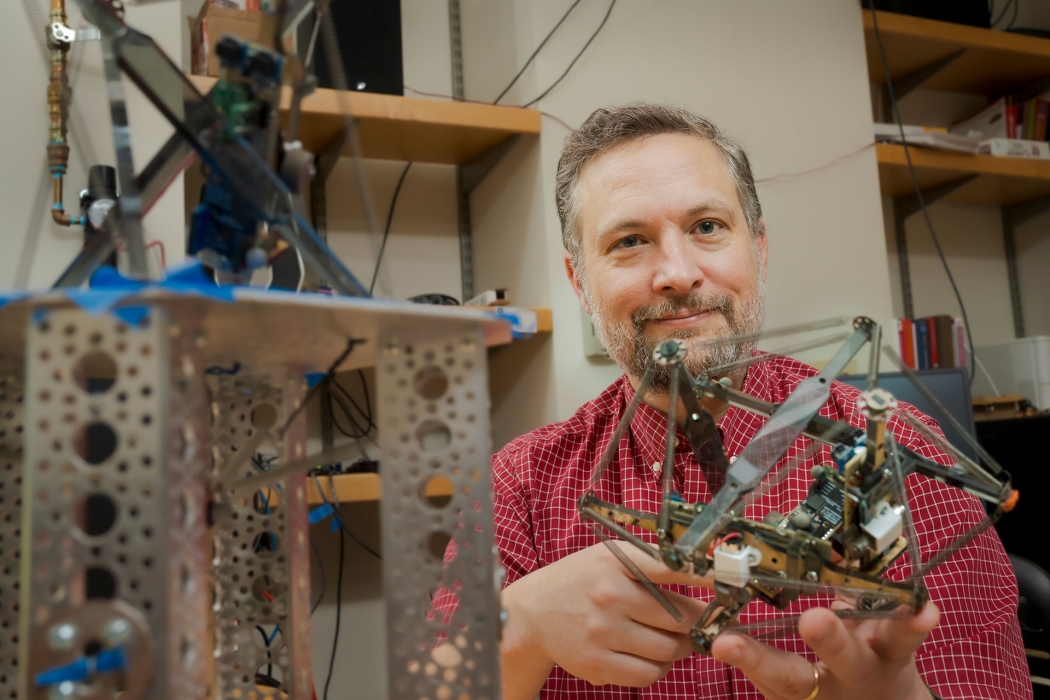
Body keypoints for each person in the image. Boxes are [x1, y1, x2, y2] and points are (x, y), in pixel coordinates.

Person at [493, 105, 1030, 700]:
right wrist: (518, 631)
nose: (677, 273)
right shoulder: (521, 484)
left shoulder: (898, 451)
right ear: (579, 285)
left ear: (760, 248)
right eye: (629, 240)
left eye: (706, 227)